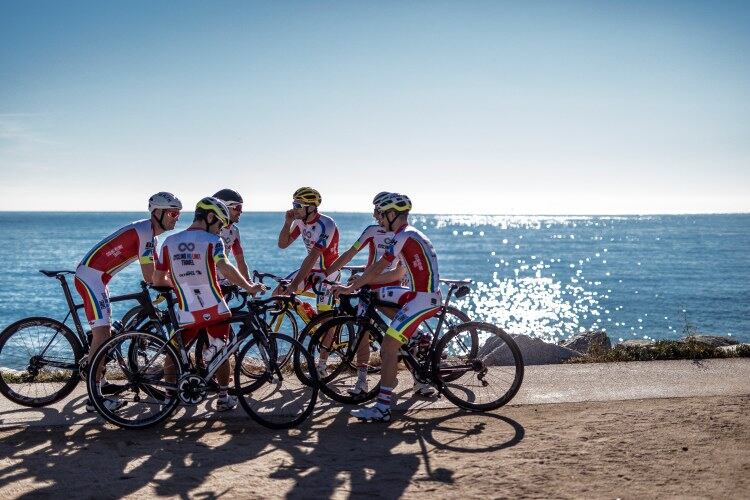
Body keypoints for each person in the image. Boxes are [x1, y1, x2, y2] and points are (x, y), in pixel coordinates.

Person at [333, 194, 441, 422]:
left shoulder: (403, 236)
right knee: (375, 296)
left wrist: (350, 287)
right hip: (418, 295)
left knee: (387, 348)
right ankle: (413, 342)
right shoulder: (408, 234)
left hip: (422, 299)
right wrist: (360, 286)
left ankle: (382, 408)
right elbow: (382, 271)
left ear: (392, 215)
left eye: (382, 214)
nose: (378, 218)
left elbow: (378, 268)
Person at [153, 197, 266, 411]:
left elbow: (158, 279)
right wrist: (249, 287)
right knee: (221, 350)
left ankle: (169, 398)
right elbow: (225, 267)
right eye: (219, 224)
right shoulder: (213, 242)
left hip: (186, 309)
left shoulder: (169, 242)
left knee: (175, 352)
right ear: (210, 216)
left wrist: (179, 286)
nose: (220, 229)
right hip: (214, 307)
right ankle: (223, 397)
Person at [76, 192, 182, 412]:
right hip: (91, 277)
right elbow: (149, 275)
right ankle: (94, 399)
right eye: (173, 213)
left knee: (106, 332)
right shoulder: (145, 231)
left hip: (99, 278)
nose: (176, 218)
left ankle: (96, 373)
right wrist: (179, 286)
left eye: (178, 214)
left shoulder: (149, 234)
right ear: (158, 213)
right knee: (102, 334)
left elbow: (154, 274)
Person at [323, 192, 412, 396]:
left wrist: (365, 279)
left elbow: (398, 271)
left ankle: (418, 377)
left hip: (392, 286)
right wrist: (326, 274)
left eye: (378, 211)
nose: (375, 216)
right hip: (369, 285)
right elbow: (349, 254)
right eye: (374, 211)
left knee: (402, 333)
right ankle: (362, 379)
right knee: (362, 331)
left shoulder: (402, 234)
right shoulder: (372, 231)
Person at [276, 187, 341, 375]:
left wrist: (295, 284)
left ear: (311, 208)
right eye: (293, 204)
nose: (294, 208)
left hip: (328, 273)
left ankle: (322, 364)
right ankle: (306, 311)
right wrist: (287, 222)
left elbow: (313, 256)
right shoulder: (299, 221)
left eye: (298, 205)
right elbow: (282, 244)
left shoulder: (326, 224)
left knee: (326, 319)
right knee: (279, 292)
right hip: (310, 270)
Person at [213, 188, 250, 282]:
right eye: (237, 208)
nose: (240, 212)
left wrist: (248, 282)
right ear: (223, 208)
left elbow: (240, 261)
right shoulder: (208, 230)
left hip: (222, 282)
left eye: (241, 208)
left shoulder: (234, 231)